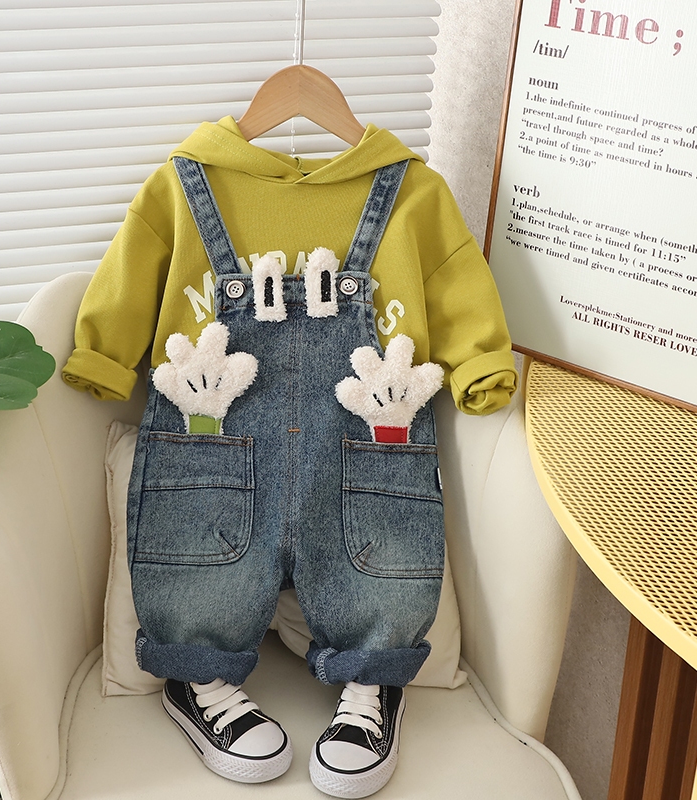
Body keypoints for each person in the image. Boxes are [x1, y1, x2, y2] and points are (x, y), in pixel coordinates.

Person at [62, 116, 517, 798]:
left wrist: (480, 362)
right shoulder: (183, 188)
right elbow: (128, 275)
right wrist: (103, 350)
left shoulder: (413, 195)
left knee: (380, 570)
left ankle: (373, 681)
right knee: (201, 568)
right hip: (216, 442)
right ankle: (198, 680)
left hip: (363, 445)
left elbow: (458, 282)